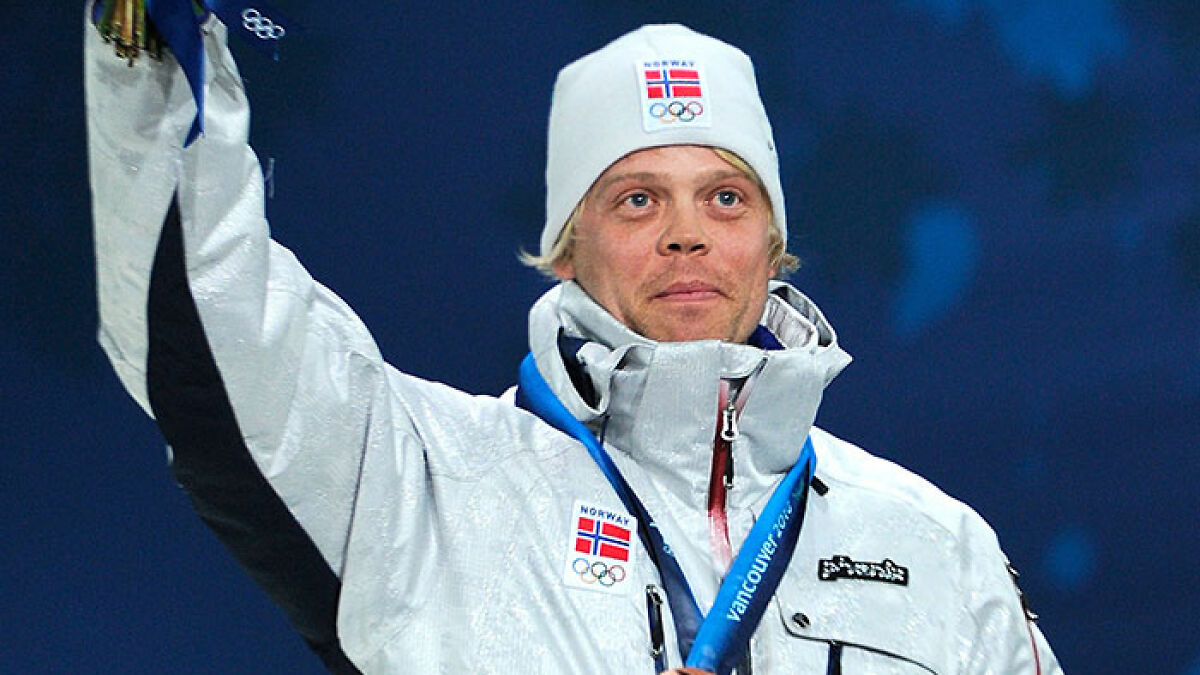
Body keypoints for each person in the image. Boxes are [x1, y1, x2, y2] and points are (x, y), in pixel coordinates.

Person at [85, 4, 1062, 674]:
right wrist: (155, 62)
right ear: (564, 248)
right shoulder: (423, 484)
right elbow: (206, 324)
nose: (686, 232)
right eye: (637, 198)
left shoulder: (939, 545)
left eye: (725, 197)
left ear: (772, 247)